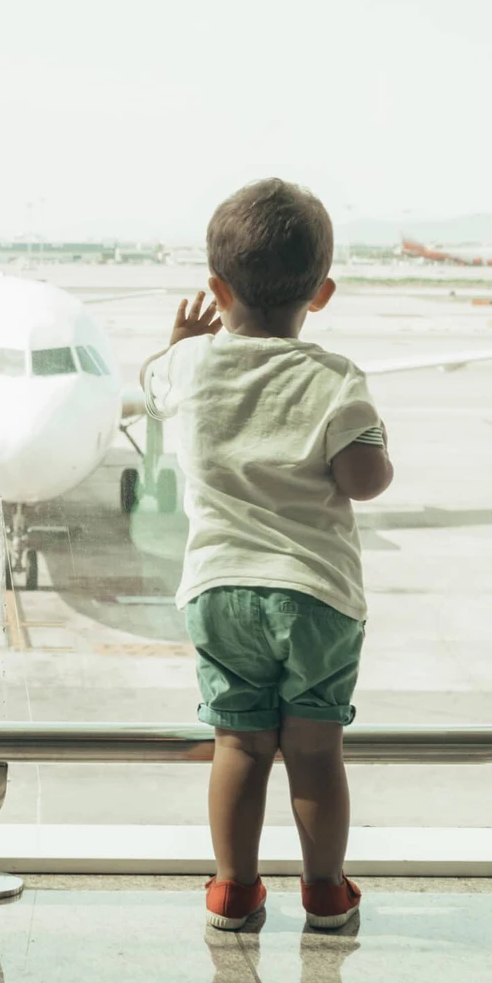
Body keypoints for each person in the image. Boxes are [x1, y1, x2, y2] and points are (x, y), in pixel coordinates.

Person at [138, 178, 393, 934]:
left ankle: (233, 892)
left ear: (217, 289)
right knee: (315, 752)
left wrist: (183, 344)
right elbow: (364, 481)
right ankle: (323, 893)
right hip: (316, 596)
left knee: (240, 747)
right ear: (322, 294)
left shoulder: (188, 369)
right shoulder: (335, 379)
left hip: (218, 592)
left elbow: (154, 386)